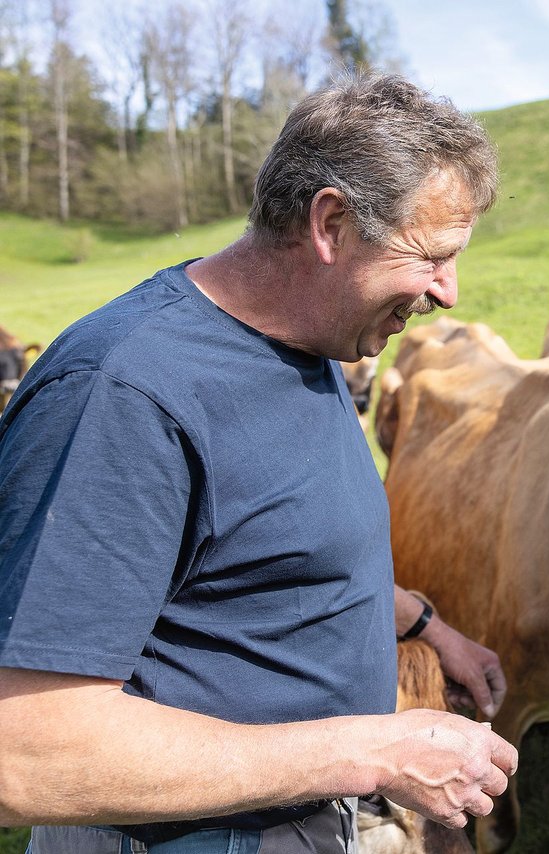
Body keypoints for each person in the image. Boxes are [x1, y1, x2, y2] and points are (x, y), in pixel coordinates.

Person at [0, 74, 516, 853]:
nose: (449, 292)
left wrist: (426, 627)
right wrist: (370, 751)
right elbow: (24, 752)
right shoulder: (126, 394)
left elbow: (274, 555)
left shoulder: (315, 343)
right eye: (432, 256)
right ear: (332, 224)